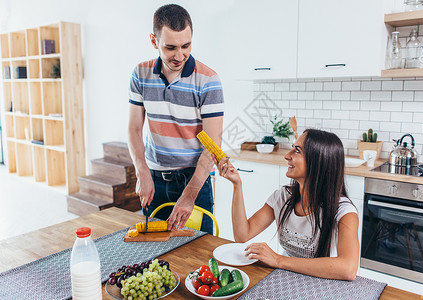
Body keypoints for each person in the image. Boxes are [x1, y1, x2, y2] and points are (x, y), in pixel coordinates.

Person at [128, 4, 224, 235]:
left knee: (198, 254)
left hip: (195, 180)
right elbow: (133, 129)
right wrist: (142, 172)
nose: (179, 55)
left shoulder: (208, 80)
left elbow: (213, 144)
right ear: (154, 41)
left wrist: (190, 194)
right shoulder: (140, 74)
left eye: (186, 45)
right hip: (155, 179)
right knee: (155, 255)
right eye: (170, 47)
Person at [214, 129, 359, 280]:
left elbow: (348, 269)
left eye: (297, 150)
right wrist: (237, 185)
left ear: (318, 161)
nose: (287, 155)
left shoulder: (344, 212)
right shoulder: (283, 197)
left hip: (324, 284)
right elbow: (242, 235)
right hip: (286, 277)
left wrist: (278, 260)